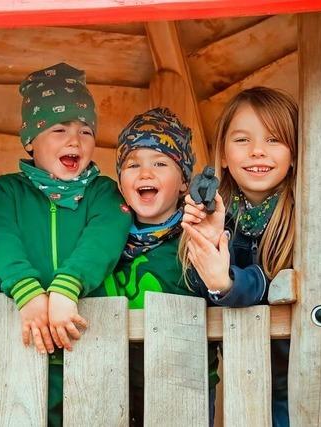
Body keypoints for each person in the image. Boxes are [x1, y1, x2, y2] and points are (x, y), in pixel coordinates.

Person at [0, 62, 132, 426]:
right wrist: (27, 291)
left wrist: (68, 285)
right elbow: (2, 240)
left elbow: (103, 239)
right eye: (59, 129)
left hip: (90, 344)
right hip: (22, 347)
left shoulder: (104, 194)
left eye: (85, 131)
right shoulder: (7, 191)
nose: (74, 140)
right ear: (31, 140)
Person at [181, 86, 296, 427]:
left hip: (299, 374)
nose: (258, 151)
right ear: (224, 156)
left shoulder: (307, 214)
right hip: (240, 375)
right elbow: (190, 281)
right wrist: (210, 237)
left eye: (274, 140)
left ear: (295, 152)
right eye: (243, 140)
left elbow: (285, 283)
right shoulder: (216, 211)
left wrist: (228, 282)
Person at [101, 107, 219, 426]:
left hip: (182, 385)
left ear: (183, 182)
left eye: (160, 163)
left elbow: (223, 289)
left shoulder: (193, 236)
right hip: (111, 386)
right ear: (121, 181)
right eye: (133, 164)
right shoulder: (104, 239)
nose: (145, 173)